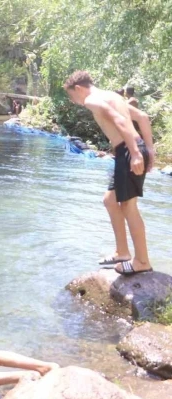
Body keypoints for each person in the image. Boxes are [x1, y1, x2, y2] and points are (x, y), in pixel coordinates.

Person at [64, 71, 155, 275]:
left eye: (72, 96)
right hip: (131, 150)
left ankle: (142, 261)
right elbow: (142, 117)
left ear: (78, 88)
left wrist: (135, 153)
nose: (75, 101)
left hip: (128, 151)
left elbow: (120, 122)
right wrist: (148, 150)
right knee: (110, 200)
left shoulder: (91, 100)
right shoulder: (113, 96)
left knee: (129, 207)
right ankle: (122, 252)